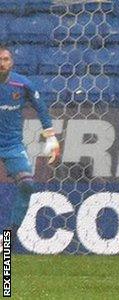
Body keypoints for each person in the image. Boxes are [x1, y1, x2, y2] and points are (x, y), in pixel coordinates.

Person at [0, 45, 60, 230]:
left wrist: (51, 137)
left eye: (5, 59)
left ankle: (8, 236)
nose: (1, 63)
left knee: (27, 185)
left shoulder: (22, 84)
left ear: (12, 62)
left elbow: (41, 108)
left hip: (12, 146)